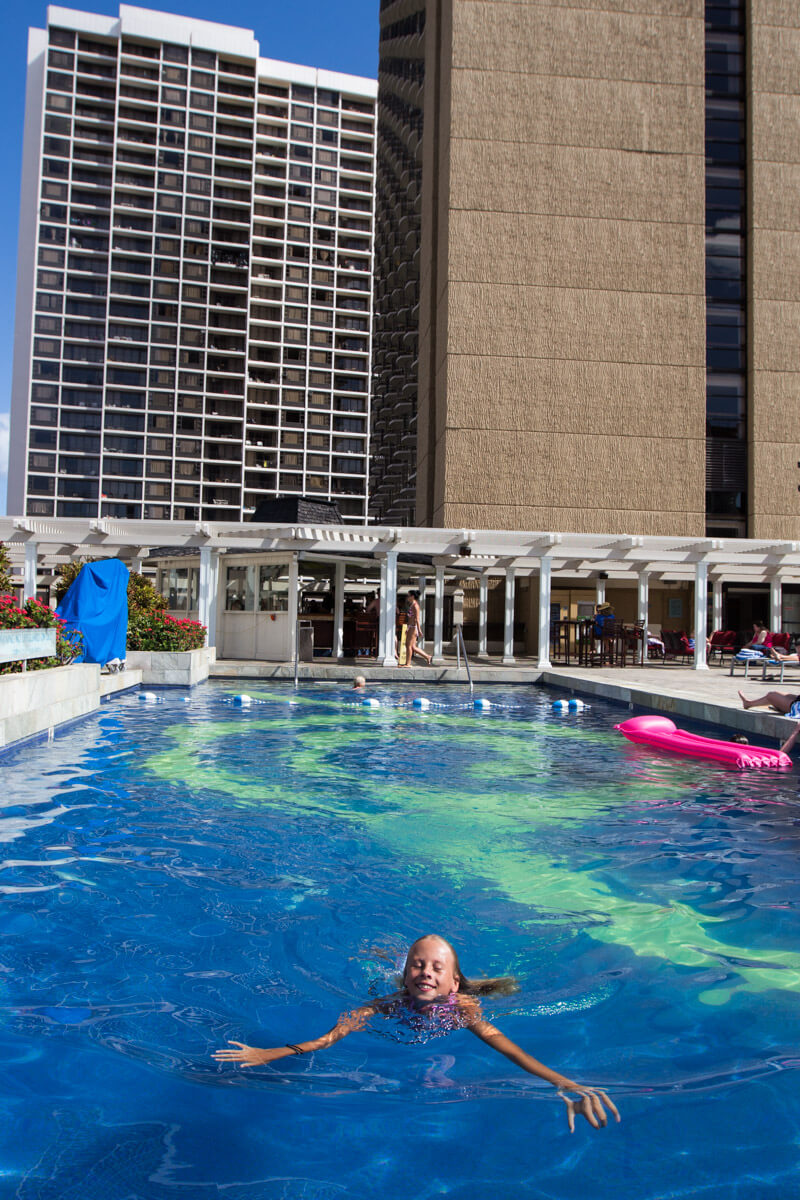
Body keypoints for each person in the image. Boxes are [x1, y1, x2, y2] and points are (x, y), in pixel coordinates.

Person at [213, 934, 620, 1133]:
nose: (425, 972)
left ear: (453, 983)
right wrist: (272, 1053)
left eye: (436, 968)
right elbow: (329, 1038)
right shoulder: (387, 1004)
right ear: (407, 974)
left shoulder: (463, 1011)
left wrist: (563, 1082)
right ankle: (382, 952)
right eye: (417, 965)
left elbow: (509, 1051)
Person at [404, 590, 431, 666]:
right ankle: (427, 656)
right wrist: (407, 627)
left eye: (408, 595)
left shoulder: (415, 606)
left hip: (413, 627)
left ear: (412, 596)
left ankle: (408, 663)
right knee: (413, 646)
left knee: (408, 645)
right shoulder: (412, 605)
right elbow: (410, 618)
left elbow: (417, 619)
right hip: (410, 627)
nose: (407, 597)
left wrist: (419, 630)